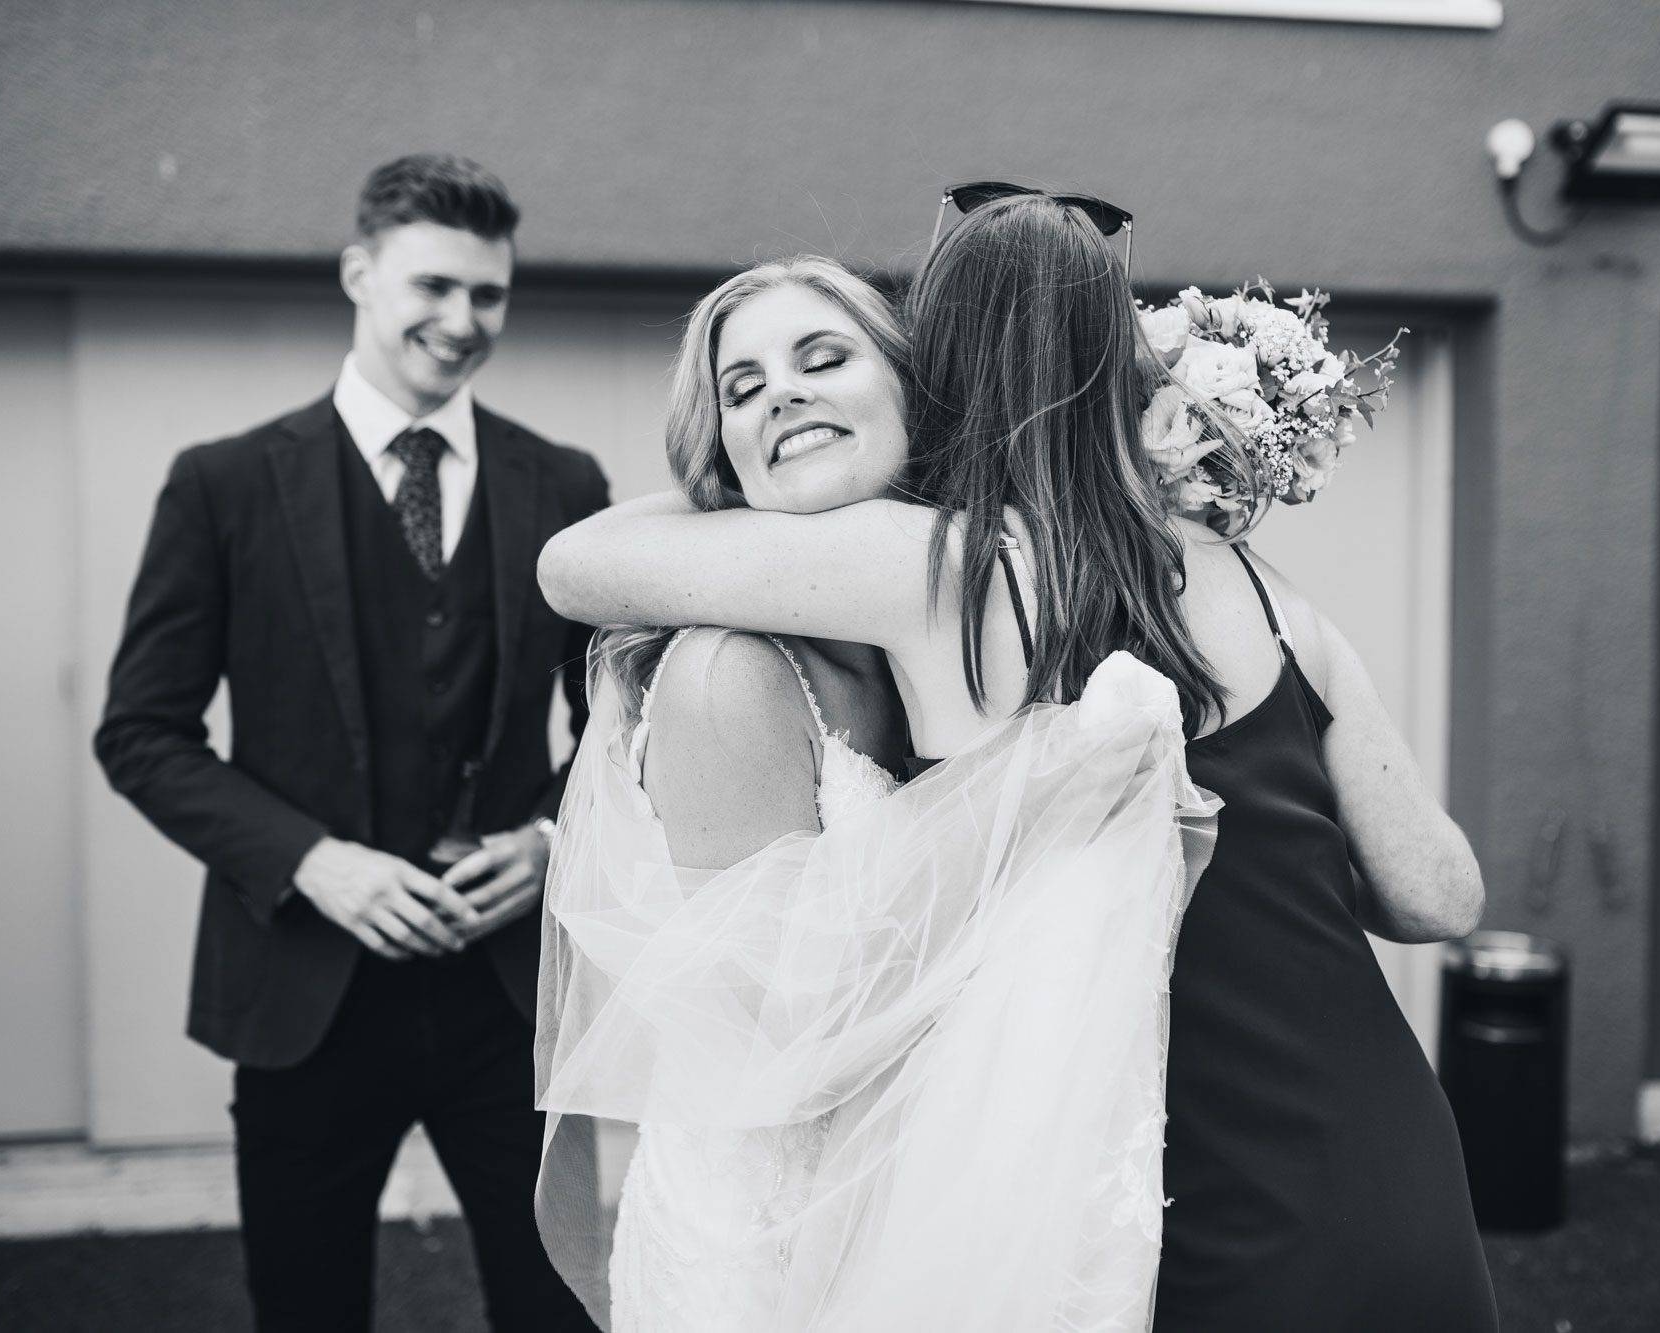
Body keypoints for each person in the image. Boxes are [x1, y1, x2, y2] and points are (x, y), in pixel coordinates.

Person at [538, 192, 1496, 1332]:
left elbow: (574, 565)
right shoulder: (1259, 586)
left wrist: (728, 478)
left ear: (926, 371)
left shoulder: (931, 567)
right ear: (1127, 362)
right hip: (1393, 1160)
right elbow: (1438, 895)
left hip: (1178, 1195)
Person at [532, 254, 1217, 1333]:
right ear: (721, 456)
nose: (782, 393)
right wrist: (1034, 798)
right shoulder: (728, 674)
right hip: (773, 1232)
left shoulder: (913, 635)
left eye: (822, 358)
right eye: (741, 391)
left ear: (912, 394)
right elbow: (776, 1043)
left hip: (916, 1175)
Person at [95, 154, 606, 1333]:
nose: (462, 320)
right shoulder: (222, 485)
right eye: (434, 286)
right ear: (358, 273)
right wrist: (313, 859)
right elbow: (143, 733)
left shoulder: (565, 483)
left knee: (562, 1306)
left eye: (489, 296)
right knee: (307, 1307)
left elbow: (615, 731)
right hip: (303, 996)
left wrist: (545, 839)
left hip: (509, 995)